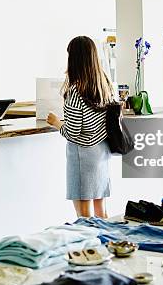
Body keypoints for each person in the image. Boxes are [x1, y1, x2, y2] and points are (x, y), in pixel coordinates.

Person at [46, 36, 113, 218]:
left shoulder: (76, 91)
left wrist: (56, 123)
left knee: (85, 218)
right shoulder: (104, 85)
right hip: (101, 153)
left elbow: (73, 132)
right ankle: (109, 245)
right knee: (102, 214)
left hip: (83, 156)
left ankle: (92, 246)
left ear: (73, 58)